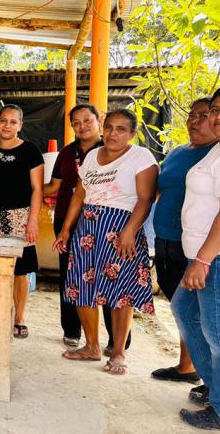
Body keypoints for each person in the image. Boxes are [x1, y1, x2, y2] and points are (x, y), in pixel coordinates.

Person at [53, 108, 158, 375]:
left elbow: (146, 199)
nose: (113, 133)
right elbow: (79, 193)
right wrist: (66, 229)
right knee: (80, 285)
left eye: (121, 129)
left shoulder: (140, 156)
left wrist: (130, 232)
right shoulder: (91, 156)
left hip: (122, 227)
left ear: (132, 133)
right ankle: (91, 346)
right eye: (109, 127)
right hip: (87, 226)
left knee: (120, 291)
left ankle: (119, 353)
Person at [173, 85, 220, 431]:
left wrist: (203, 260)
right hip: (206, 256)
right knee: (184, 311)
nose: (219, 116)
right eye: (215, 109)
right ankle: (219, 389)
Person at [44, 103, 130, 351]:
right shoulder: (67, 153)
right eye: (77, 122)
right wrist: (30, 191)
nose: (82, 126)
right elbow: (54, 186)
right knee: (72, 277)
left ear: (98, 121)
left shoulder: (114, 149)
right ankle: (72, 331)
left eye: (87, 120)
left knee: (109, 278)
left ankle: (116, 341)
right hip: (66, 221)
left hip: (106, 222)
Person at [150, 98, 215, 385]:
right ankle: (186, 366)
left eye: (203, 115)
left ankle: (208, 374)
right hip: (165, 241)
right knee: (180, 306)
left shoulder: (219, 154)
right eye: (192, 115)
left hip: (196, 247)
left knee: (199, 311)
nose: (194, 121)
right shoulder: (177, 153)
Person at [0, 105, 43, 339]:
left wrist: (33, 221)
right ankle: (2, 313)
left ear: (20, 125)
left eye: (13, 122)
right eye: (3, 121)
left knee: (20, 271)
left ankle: (19, 318)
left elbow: (37, 189)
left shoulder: (30, 151)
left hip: (21, 216)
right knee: (0, 269)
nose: (7, 126)